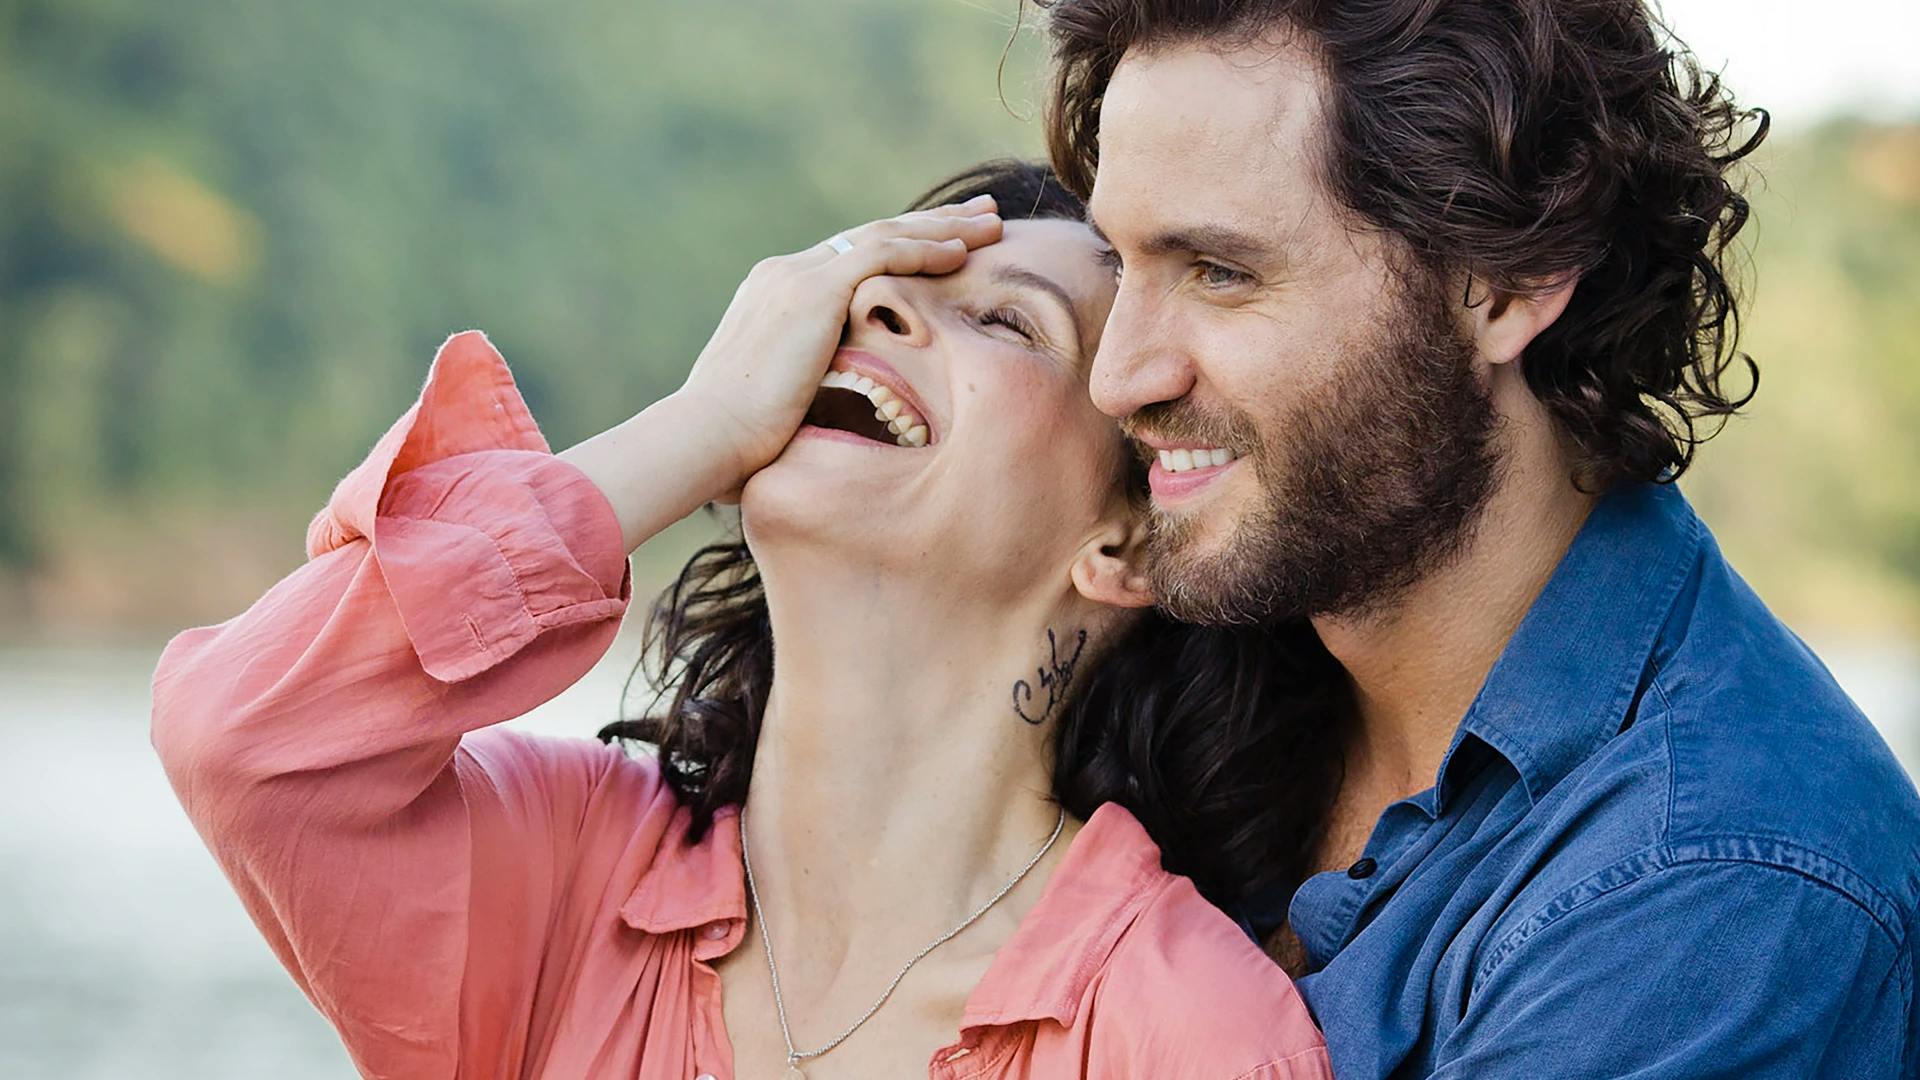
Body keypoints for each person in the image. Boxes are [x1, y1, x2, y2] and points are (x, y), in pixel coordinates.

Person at [150, 160, 1338, 1079]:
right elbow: (244, 742)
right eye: (867, 291)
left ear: (1128, 540)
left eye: (1012, 322)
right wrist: (703, 420)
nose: (873, 316)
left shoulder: (1187, 1031)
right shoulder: (568, 879)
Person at [1032, 0, 1920, 1076]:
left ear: (1511, 278)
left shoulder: (1707, 886)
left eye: (1218, 272)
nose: (1119, 375)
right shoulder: (1225, 648)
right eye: (1119, 266)